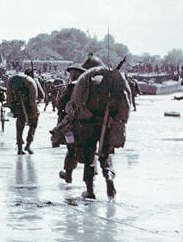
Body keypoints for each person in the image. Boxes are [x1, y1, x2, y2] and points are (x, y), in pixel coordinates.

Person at [52, 56, 131, 199]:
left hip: (84, 125)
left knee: (86, 154)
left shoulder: (82, 84)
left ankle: (90, 190)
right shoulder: (112, 83)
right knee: (105, 154)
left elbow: (66, 105)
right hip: (107, 124)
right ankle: (109, 181)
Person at [7, 69, 42, 154]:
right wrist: (35, 110)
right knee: (34, 124)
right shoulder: (32, 81)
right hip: (29, 106)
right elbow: (39, 96)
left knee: (19, 126)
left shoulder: (13, 80)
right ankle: (28, 145)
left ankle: (19, 148)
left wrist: (12, 106)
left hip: (17, 106)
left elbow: (8, 96)